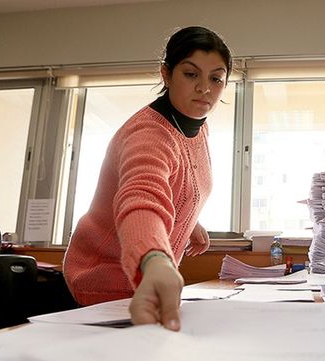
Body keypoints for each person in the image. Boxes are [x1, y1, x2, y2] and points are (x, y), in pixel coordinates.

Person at [63, 26, 232, 331]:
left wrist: (186, 217)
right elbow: (142, 197)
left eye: (216, 78)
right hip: (108, 282)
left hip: (142, 281)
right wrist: (156, 259)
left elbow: (174, 183)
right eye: (191, 74)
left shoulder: (196, 125)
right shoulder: (150, 134)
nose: (205, 88)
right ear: (166, 75)